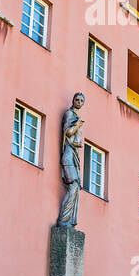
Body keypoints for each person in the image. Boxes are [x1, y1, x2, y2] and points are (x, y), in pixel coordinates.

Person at [56, 92, 85, 228]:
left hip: (74, 154)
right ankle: (63, 220)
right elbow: (68, 132)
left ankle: (70, 221)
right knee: (73, 185)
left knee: (77, 187)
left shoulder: (77, 116)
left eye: (81, 100)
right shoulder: (69, 114)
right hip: (68, 155)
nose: (79, 102)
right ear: (73, 101)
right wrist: (78, 125)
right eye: (77, 99)